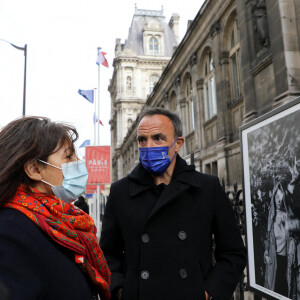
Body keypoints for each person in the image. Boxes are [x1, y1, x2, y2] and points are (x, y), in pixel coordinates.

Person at [100, 107, 247, 300]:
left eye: (158, 138)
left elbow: (232, 252)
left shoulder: (207, 188)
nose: (149, 146)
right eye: (142, 140)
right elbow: (107, 255)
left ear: (177, 144)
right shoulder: (120, 192)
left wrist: (208, 293)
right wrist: (120, 291)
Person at [0, 116, 110, 300]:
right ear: (35, 169)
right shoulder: (11, 231)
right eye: (68, 156)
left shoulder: (64, 221)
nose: (79, 161)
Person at [264, 182, 294, 297]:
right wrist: (266, 252)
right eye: (277, 197)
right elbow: (268, 236)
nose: (279, 200)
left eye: (281, 198)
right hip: (273, 259)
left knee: (284, 290)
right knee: (271, 289)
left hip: (285, 261)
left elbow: (292, 237)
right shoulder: (271, 215)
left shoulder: (287, 215)